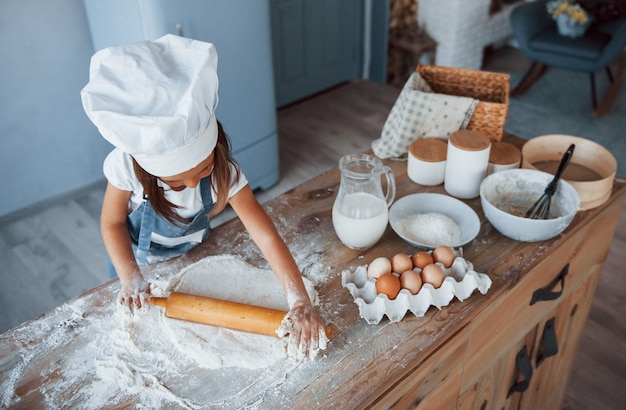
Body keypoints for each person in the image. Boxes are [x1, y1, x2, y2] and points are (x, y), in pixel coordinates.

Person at [81, 34, 326, 358]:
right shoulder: (126, 169)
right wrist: (131, 279)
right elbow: (111, 224)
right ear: (149, 174)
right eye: (179, 184)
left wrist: (299, 301)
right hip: (140, 266)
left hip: (194, 254)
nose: (196, 183)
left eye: (203, 170)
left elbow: (265, 237)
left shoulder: (225, 171)